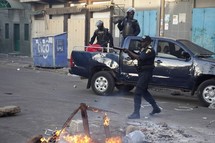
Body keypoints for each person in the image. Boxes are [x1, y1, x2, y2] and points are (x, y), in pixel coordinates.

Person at [123, 36, 161, 119]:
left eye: (143, 42)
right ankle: (156, 108)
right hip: (143, 73)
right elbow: (136, 57)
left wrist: (129, 51)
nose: (141, 43)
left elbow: (140, 57)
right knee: (144, 92)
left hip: (146, 73)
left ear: (147, 42)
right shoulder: (143, 49)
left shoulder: (149, 50)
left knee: (137, 92)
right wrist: (128, 52)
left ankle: (136, 113)